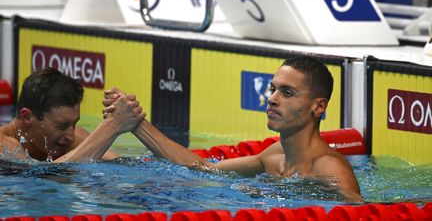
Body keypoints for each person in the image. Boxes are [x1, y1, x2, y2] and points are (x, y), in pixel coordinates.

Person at [104, 56, 363, 202]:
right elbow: (202, 169)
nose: (272, 98)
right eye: (273, 89)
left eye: (287, 93)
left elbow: (362, 212)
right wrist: (136, 124)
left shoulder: (329, 168)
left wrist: (271, 192)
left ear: (318, 107)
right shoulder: (273, 157)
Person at [0, 68, 144, 163]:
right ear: (27, 117)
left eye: (74, 124)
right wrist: (111, 127)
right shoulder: (3, 146)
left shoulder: (68, 139)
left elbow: (119, 166)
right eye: (62, 125)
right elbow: (40, 178)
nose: (71, 136)